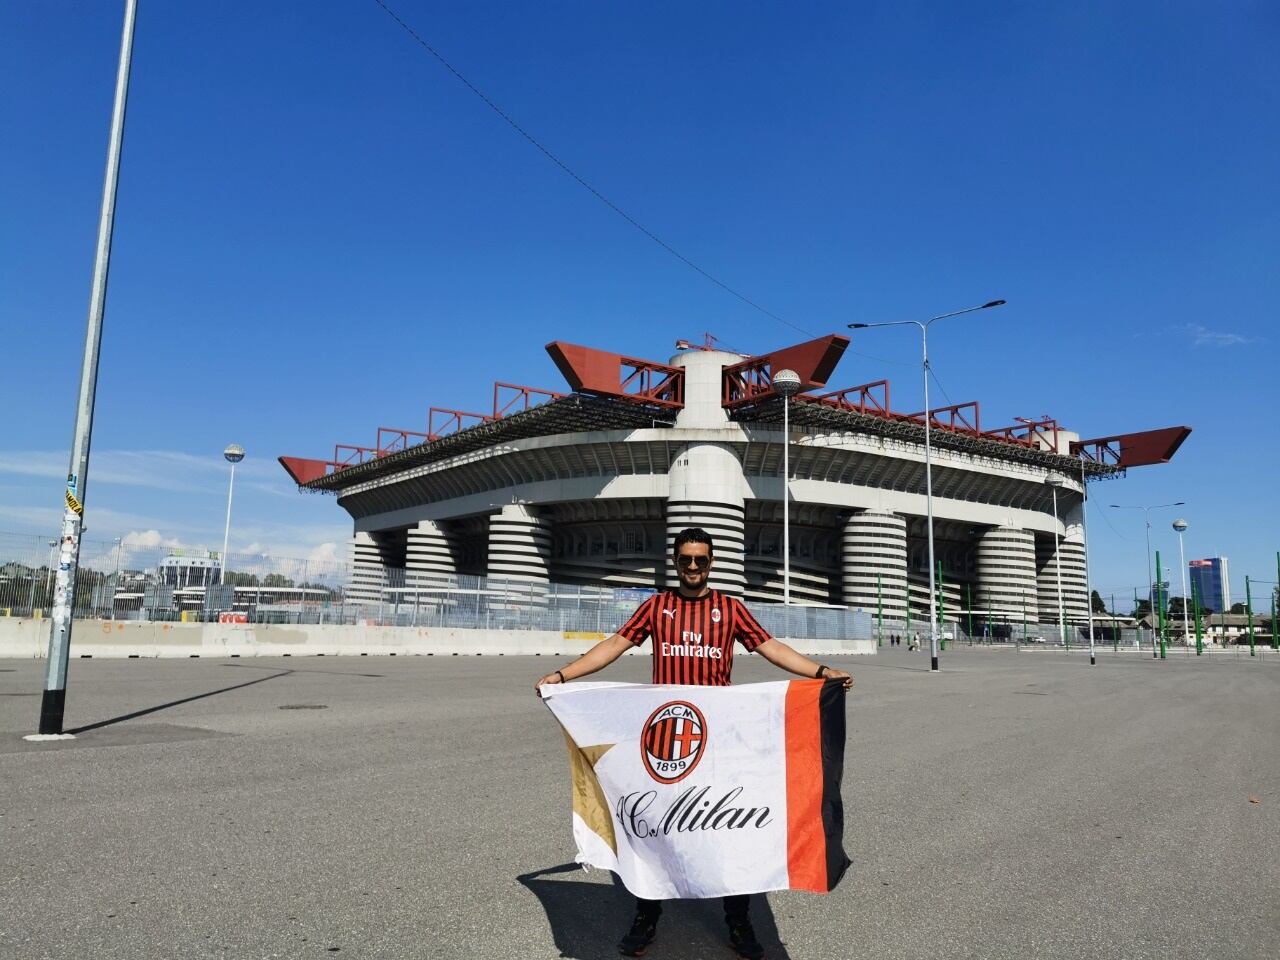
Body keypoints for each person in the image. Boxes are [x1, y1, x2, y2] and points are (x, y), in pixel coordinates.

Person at [536, 527, 853, 960]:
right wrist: (562, 677)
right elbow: (613, 645)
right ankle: (646, 916)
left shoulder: (730, 609)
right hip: (663, 740)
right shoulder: (656, 606)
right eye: (684, 559)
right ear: (675, 561)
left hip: (716, 740)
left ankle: (738, 921)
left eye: (700, 560)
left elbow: (770, 647)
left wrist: (819, 673)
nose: (692, 567)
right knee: (656, 827)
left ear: (711, 563)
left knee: (726, 831)